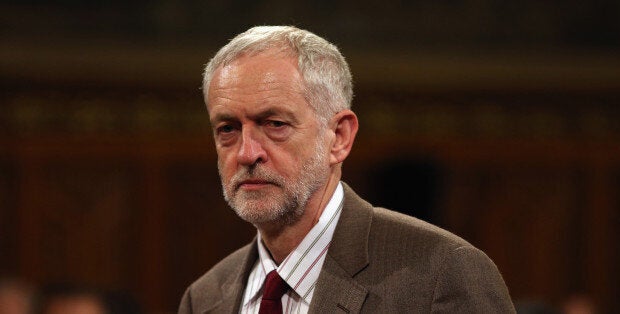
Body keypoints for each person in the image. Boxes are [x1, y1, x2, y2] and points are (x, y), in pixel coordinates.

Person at [178, 25, 515, 313]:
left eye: (275, 124)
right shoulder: (205, 299)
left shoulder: (440, 275)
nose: (247, 153)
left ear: (338, 137)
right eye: (227, 129)